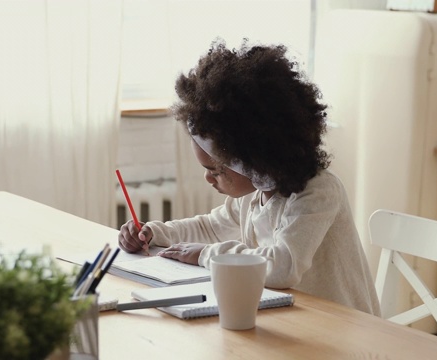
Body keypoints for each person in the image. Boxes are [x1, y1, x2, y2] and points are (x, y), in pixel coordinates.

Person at [118, 39, 380, 316]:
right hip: (293, 321)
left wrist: (205, 254)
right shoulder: (255, 193)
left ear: (250, 158)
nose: (209, 179)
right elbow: (209, 228)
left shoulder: (317, 191)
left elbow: (282, 266)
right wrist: (156, 233)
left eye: (214, 170)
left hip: (345, 328)